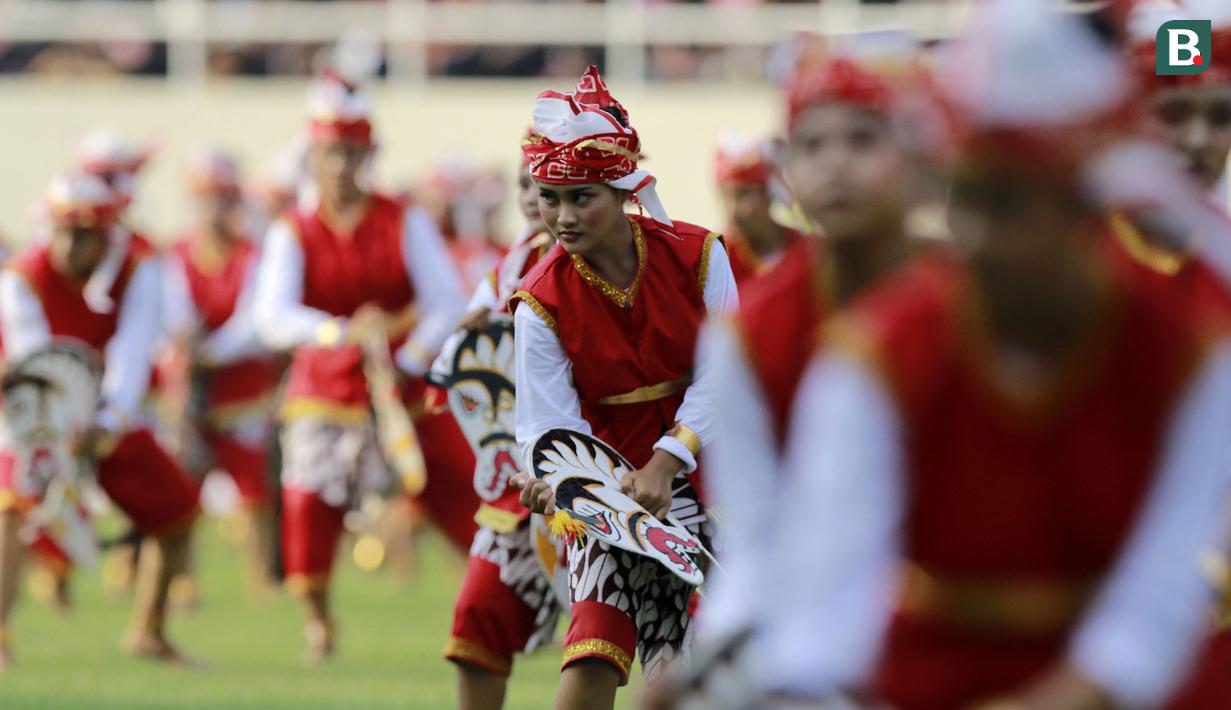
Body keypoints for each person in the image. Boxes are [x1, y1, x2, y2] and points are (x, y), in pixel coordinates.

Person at [753, 4, 1231, 707]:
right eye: (964, 201)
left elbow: (1158, 601)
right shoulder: (876, 354)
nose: (974, 239)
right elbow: (829, 598)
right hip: (926, 681)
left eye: (1008, 205)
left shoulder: (1189, 348)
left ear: (1080, 205)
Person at [507, 66, 738, 710]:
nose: (562, 215)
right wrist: (562, 480)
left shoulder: (698, 254)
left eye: (582, 196)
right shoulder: (539, 300)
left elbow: (730, 376)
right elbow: (545, 426)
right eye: (549, 198)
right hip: (605, 495)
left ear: (623, 187)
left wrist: (670, 459)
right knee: (592, 652)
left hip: (711, 475)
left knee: (701, 668)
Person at [698, 47, 933, 646]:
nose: (835, 165)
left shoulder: (976, 303)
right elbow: (754, 543)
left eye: (862, 140)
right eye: (813, 146)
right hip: (815, 630)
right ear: (789, 171)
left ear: (916, 157)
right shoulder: (748, 333)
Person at [252, 69, 478, 663]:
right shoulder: (292, 230)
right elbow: (272, 316)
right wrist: (342, 333)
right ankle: (318, 623)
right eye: (332, 152)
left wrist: (403, 355)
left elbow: (446, 301)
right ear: (314, 154)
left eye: (353, 152)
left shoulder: (403, 219)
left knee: (465, 490)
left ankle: (505, 605)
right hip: (323, 390)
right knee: (305, 505)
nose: (342, 164)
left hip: (401, 389)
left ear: (368, 154)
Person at [0, 173, 202, 668]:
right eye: (64, 232)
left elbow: (133, 353)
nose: (70, 245)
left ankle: (149, 630)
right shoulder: (22, 277)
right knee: (9, 510)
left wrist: (108, 421)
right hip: (29, 411)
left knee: (177, 511)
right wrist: (65, 423)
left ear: (106, 235)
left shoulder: (140, 270)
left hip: (108, 412)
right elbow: (35, 361)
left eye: (84, 234)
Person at [443, 148, 560, 710]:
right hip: (521, 489)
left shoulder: (635, 264)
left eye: (559, 186)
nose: (536, 198)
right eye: (527, 184)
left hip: (620, 483)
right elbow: (453, 361)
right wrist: (474, 336)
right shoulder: (511, 267)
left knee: (614, 646)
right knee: (477, 620)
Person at [162, 148, 280, 596]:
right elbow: (171, 313)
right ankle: (181, 584)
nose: (213, 207)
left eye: (221, 197)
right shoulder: (174, 254)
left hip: (240, 391)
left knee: (253, 493)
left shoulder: (253, 254)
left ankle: (261, 583)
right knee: (181, 491)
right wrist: (184, 345)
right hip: (187, 392)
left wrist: (206, 351)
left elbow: (255, 323)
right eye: (205, 197)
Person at [711, 133, 803, 286]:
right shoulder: (717, 259)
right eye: (724, 196)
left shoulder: (802, 251)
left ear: (768, 194)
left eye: (744, 195)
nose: (733, 209)